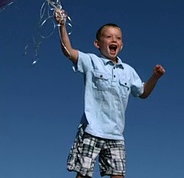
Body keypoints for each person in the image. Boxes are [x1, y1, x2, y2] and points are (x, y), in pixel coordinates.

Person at [55, 10, 166, 178]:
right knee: (83, 175)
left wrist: (155, 77)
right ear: (97, 44)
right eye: (108, 37)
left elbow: (142, 93)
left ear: (121, 45)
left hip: (115, 134)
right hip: (92, 130)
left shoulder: (128, 71)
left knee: (118, 175)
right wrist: (62, 25)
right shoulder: (92, 61)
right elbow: (68, 51)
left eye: (118, 38)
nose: (114, 40)